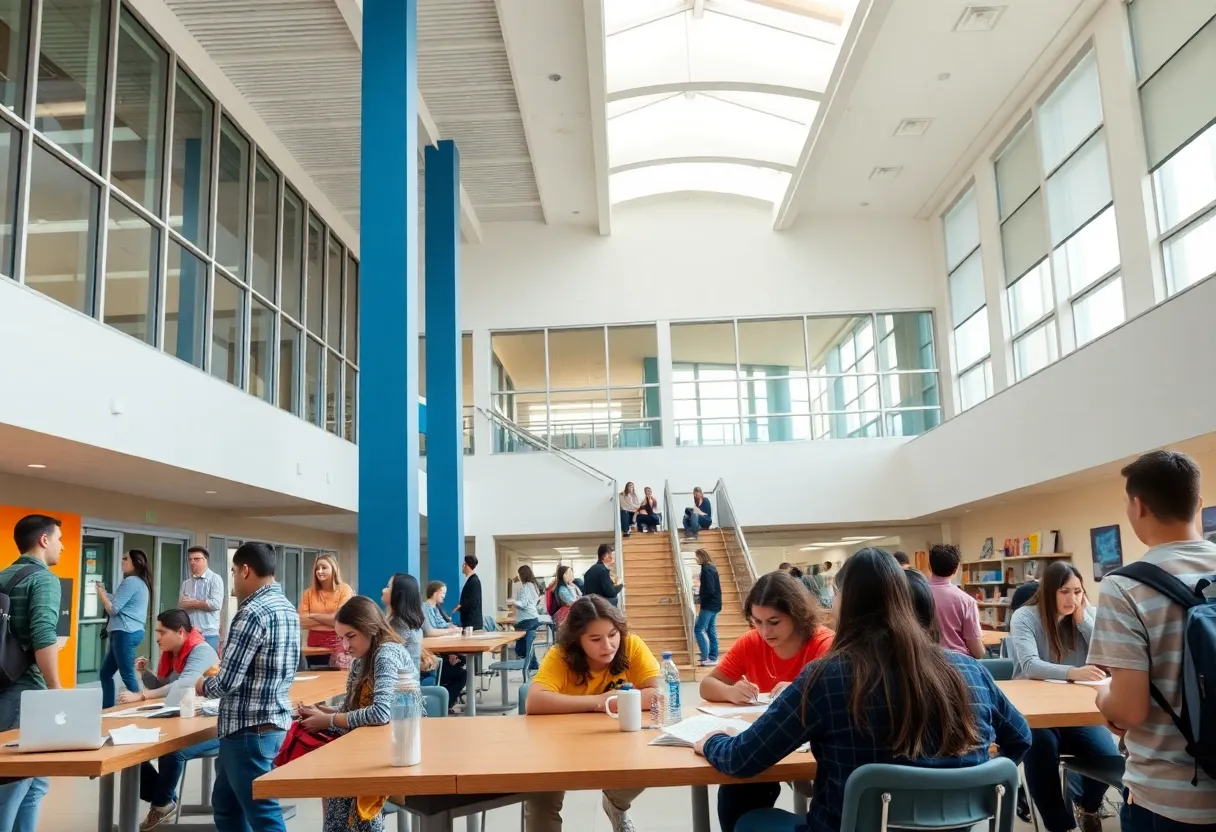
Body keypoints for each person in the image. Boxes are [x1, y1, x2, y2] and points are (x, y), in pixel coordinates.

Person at [695, 548, 1032, 832]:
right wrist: (977, 783)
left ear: (846, 601)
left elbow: (742, 759)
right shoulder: (970, 670)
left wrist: (712, 740)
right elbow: (1020, 738)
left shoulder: (826, 679)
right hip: (952, 828)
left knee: (751, 820)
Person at [1089, 450, 1216, 831]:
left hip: (1170, 798)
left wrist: (1104, 694)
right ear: (1198, 503)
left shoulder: (1124, 586)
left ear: (1138, 505)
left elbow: (1129, 712)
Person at [698, 571, 835, 830]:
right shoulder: (752, 641)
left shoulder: (823, 643)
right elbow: (707, 685)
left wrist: (798, 690)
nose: (765, 631)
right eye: (757, 621)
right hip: (768, 740)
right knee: (737, 790)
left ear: (797, 614)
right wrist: (730, 692)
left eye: (774, 622)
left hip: (812, 747)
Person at [525, 596, 661, 832]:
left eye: (612, 635)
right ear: (578, 640)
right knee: (540, 799)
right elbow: (534, 701)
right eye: (596, 639)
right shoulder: (561, 655)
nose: (608, 646)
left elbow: (658, 694)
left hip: (619, 738)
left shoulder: (631, 645)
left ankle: (615, 803)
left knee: (652, 762)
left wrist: (616, 701)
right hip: (563, 742)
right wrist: (599, 702)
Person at [196, 541, 299, 832]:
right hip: (270, 723)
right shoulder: (287, 607)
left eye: (232, 572)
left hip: (248, 729)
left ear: (245, 570)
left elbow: (227, 681)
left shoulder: (252, 611)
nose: (233, 580)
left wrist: (203, 686)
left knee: (263, 815)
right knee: (226, 806)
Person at [1008, 562, 1115, 832]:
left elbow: (1107, 655)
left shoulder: (1086, 615)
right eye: (1065, 591)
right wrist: (1073, 672)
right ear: (1048, 591)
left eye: (1078, 591)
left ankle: (1087, 807)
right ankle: (1060, 826)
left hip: (1075, 711)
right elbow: (1030, 665)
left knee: (1108, 756)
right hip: (1036, 712)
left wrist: (1082, 621)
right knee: (1041, 751)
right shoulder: (1025, 616)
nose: (1072, 599)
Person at [298, 596, 411, 832]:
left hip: (395, 750)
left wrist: (329, 720)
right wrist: (321, 711)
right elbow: (351, 711)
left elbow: (381, 713)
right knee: (334, 780)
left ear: (370, 627)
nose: (346, 646)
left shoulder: (386, 654)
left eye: (350, 636)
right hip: (369, 746)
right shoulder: (362, 659)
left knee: (342, 786)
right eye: (341, 638)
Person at [0, 515, 64, 832]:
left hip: (4, 682)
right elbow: (43, 635)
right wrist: (56, 691)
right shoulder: (44, 579)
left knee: (36, 782)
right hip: (26, 691)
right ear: (44, 540)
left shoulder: (3, 575)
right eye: (59, 539)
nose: (62, 547)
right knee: (12, 784)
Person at [131, 609, 221, 830]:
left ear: (180, 632)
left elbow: (183, 685)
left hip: (214, 725)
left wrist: (142, 696)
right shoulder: (172, 654)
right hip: (186, 720)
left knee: (173, 750)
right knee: (134, 752)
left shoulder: (201, 650)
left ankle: (162, 804)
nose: (157, 637)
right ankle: (165, 799)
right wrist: (145, 674)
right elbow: (164, 687)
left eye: (162, 632)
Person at [98, 548, 153, 708]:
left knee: (127, 675)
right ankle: (108, 708)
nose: (122, 561)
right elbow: (119, 601)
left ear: (135, 563)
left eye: (125, 558)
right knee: (105, 673)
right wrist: (106, 594)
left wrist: (101, 593)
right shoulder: (140, 583)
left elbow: (113, 609)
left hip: (125, 632)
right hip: (126, 631)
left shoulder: (131, 581)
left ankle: (140, 707)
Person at [414, 580, 467, 710]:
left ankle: (445, 701)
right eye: (442, 592)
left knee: (462, 660)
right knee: (462, 673)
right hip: (431, 655)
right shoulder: (424, 608)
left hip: (439, 652)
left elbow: (442, 625)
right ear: (435, 593)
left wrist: (452, 628)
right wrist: (450, 631)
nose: (444, 595)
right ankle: (444, 704)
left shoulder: (435, 608)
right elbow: (431, 632)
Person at [926, 543, 986, 659]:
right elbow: (977, 651)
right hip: (958, 662)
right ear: (957, 568)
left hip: (925, 661)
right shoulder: (967, 601)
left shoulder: (915, 594)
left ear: (929, 566)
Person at [297, 553, 353, 668]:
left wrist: (312, 615)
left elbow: (339, 619)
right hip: (314, 646)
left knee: (337, 677)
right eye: (317, 568)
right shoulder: (308, 593)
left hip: (338, 645)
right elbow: (301, 621)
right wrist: (330, 619)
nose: (319, 571)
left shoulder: (345, 590)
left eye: (324, 567)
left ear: (333, 569)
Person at [178, 546, 224, 652]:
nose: (192, 562)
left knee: (208, 662)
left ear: (205, 560)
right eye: (190, 559)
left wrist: (192, 603)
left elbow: (215, 604)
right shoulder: (186, 583)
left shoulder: (215, 579)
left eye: (196, 559)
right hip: (190, 633)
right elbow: (181, 605)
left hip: (208, 635)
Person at [509, 565, 542, 670]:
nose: (518, 576)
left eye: (519, 574)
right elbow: (535, 602)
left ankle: (533, 665)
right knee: (529, 646)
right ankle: (534, 666)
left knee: (521, 648)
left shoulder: (526, 587)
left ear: (522, 575)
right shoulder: (534, 586)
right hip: (533, 618)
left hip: (526, 620)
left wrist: (512, 601)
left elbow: (523, 604)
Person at [694, 549, 722, 667]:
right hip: (715, 604)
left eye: (697, 557)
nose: (695, 559)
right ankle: (713, 657)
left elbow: (710, 589)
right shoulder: (711, 567)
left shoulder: (706, 569)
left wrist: (701, 597)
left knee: (698, 629)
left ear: (702, 557)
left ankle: (706, 656)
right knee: (711, 630)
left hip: (709, 605)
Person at [454, 555, 483, 631]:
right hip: (469, 622)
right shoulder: (471, 580)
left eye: (464, 564)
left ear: (466, 565)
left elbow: (473, 601)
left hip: (472, 623)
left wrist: (461, 606)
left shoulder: (474, 581)